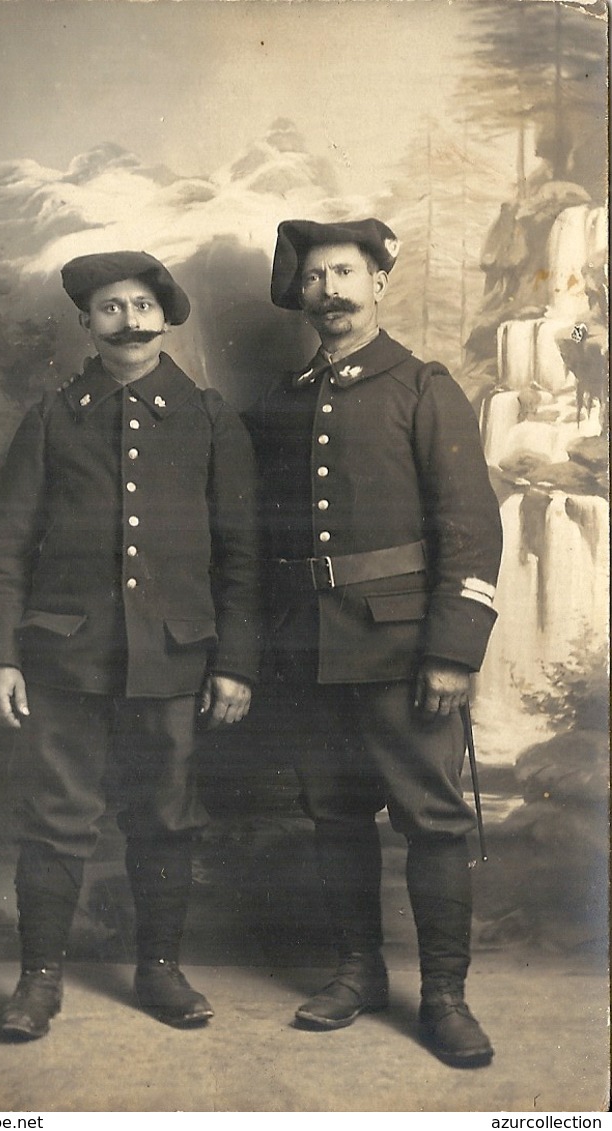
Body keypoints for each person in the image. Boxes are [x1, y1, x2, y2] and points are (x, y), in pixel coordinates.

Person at [0, 251, 260, 1039]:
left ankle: (160, 968)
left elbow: (242, 557)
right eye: (109, 307)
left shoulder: (208, 419)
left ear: (165, 316)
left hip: (173, 662)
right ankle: (38, 980)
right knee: (55, 818)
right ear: (86, 324)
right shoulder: (52, 417)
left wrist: (235, 661)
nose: (128, 319)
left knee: (165, 817)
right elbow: (5, 551)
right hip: (62, 661)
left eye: (142, 304)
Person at [247, 218, 503, 1068]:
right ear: (302, 295)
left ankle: (445, 996)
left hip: (405, 650)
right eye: (315, 278)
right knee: (334, 814)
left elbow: (471, 528)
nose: (330, 291)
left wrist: (452, 650)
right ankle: (359, 972)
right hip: (311, 650)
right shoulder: (281, 403)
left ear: (379, 282)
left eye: (345, 272)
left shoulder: (425, 387)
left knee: (431, 820)